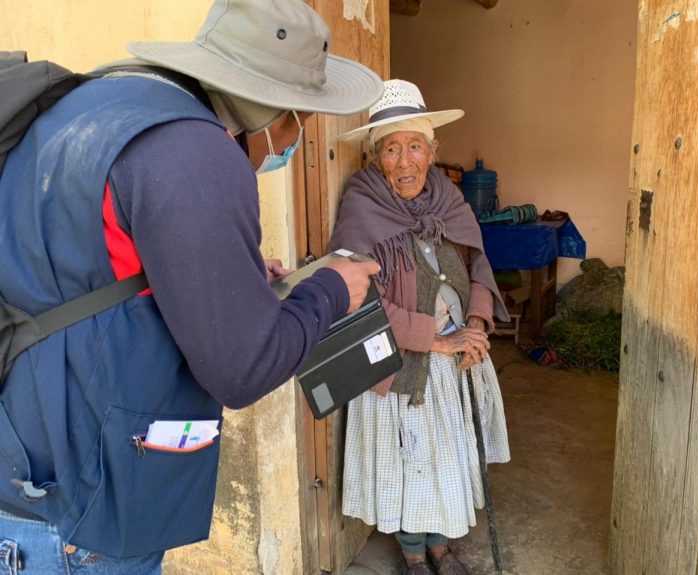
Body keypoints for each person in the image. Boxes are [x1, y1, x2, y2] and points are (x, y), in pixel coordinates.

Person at [0, 1, 383, 573]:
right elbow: (243, 369)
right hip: (85, 512)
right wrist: (330, 287)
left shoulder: (101, 102)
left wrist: (232, 278)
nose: (294, 137)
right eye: (300, 116)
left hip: (28, 469)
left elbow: (90, 267)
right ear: (270, 111)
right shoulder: (198, 151)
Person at [330, 79, 512, 575]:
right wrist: (435, 340)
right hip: (401, 360)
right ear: (375, 156)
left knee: (446, 458)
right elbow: (357, 298)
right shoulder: (361, 203)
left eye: (415, 146)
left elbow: (476, 262)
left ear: (433, 152)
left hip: (455, 356)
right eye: (392, 148)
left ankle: (440, 547)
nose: (404, 161)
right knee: (411, 462)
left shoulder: (447, 197)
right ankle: (414, 554)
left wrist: (475, 324)